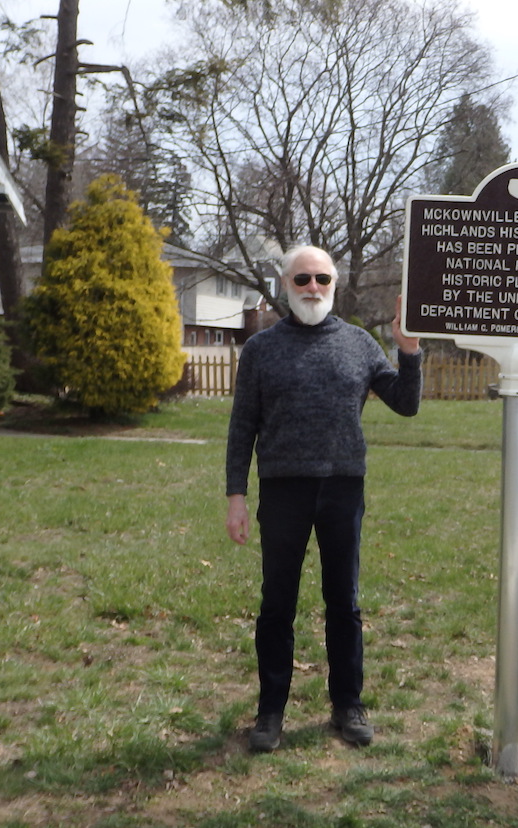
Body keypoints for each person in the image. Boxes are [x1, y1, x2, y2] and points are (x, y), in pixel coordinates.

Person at [225, 244, 422, 753]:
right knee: (277, 605)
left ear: (335, 284)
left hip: (342, 489)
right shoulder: (262, 350)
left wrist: (409, 351)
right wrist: (236, 496)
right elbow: (242, 426)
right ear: (285, 284)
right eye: (303, 279)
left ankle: (347, 704)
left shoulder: (358, 344)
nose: (314, 288)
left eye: (323, 279)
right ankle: (270, 712)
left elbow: (405, 404)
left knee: (345, 602)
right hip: (283, 489)